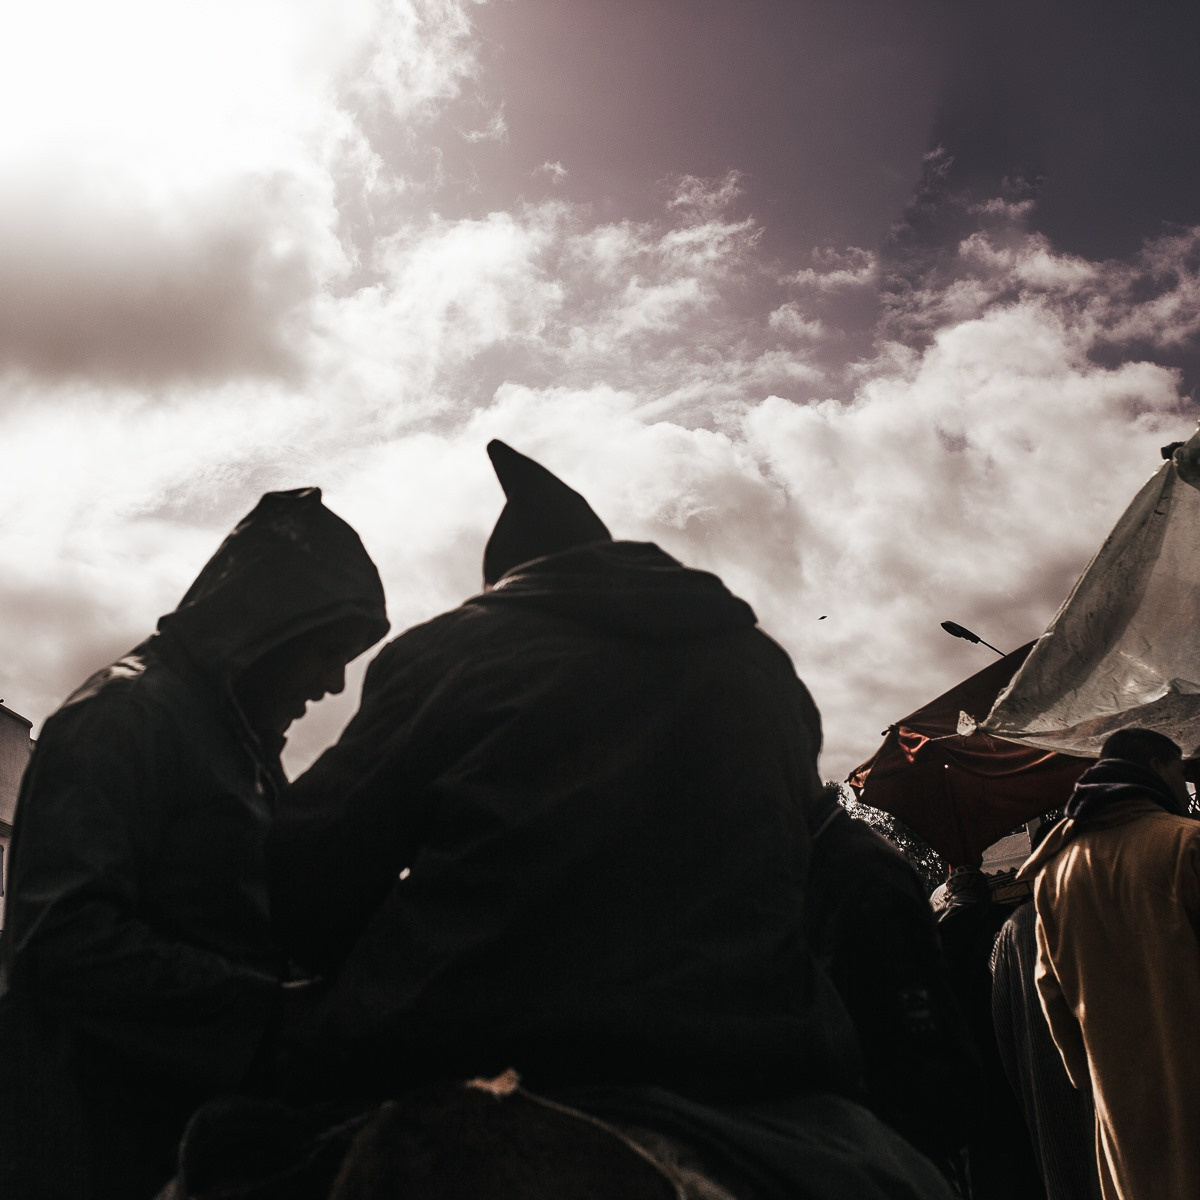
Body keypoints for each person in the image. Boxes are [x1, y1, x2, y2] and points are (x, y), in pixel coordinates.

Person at [270, 441, 958, 1198]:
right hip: (765, 1069)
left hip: (483, 1060)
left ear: (508, 577)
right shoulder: (763, 669)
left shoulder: (452, 650)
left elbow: (307, 883)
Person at [0, 487, 389, 1200]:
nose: (335, 683)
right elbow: (61, 939)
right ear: (267, 626)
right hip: (106, 1157)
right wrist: (272, 1010)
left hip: (205, 1147)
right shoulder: (121, 715)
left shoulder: (248, 752)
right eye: (325, 651)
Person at [1017, 727, 1200, 1200]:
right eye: (1182, 774)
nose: (1186, 788)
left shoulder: (1053, 874)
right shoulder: (1186, 845)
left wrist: (1101, 1079)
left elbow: (1051, 997)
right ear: (1156, 768)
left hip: (1123, 1120)